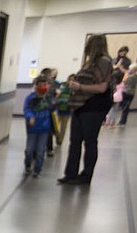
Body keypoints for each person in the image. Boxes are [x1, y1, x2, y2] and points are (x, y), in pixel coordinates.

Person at [59, 34, 114, 186]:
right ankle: (70, 174)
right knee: (74, 141)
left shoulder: (104, 62)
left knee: (89, 142)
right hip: (79, 105)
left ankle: (86, 176)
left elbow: (102, 87)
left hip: (94, 106)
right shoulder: (90, 63)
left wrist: (80, 87)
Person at [24, 75, 53, 178]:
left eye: (45, 85)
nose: (43, 87)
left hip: (44, 129)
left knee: (41, 151)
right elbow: (27, 109)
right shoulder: (31, 98)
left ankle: (37, 169)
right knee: (29, 150)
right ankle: (28, 164)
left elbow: (54, 109)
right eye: (40, 85)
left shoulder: (49, 99)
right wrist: (30, 117)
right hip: (32, 129)